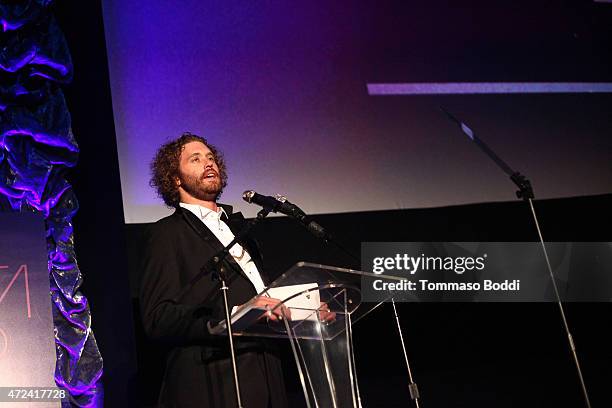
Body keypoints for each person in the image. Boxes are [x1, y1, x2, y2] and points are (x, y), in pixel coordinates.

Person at [140, 132, 289, 408]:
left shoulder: (242, 232)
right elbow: (158, 318)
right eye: (195, 159)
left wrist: (302, 309)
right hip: (215, 383)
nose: (208, 164)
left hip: (269, 374)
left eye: (211, 158)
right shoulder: (166, 234)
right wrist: (233, 316)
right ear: (175, 178)